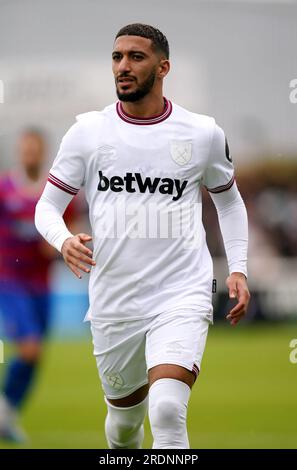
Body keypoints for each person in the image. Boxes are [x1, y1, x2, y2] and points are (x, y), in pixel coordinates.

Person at [35, 23, 250, 449]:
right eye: (117, 58)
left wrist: (239, 268)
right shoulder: (87, 133)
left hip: (180, 292)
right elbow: (47, 206)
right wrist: (63, 240)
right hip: (115, 300)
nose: (123, 67)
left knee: (168, 410)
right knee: (124, 425)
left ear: (162, 67)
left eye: (136, 57)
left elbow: (229, 201)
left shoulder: (202, 133)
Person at [0, 129, 76, 442]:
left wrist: (60, 243)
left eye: (35, 149)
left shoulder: (55, 193)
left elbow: (65, 233)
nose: (30, 154)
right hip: (9, 281)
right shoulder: (4, 189)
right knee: (28, 347)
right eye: (25, 149)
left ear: (43, 153)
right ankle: (3, 410)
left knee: (37, 352)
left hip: (41, 285)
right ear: (20, 152)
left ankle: (7, 414)